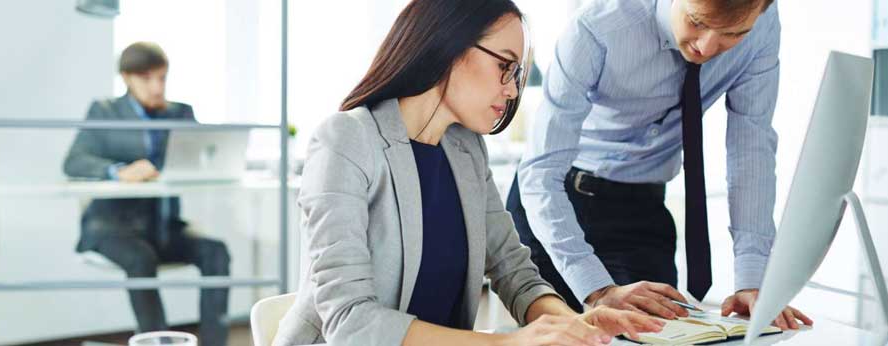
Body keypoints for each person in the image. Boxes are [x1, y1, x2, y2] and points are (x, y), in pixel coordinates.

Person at [271, 1, 666, 345]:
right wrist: (509, 343)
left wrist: (577, 325)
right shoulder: (347, 139)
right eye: (505, 66)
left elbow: (515, 272)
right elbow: (350, 321)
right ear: (451, 47)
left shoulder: (466, 149)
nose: (512, 90)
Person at [507, 0, 814, 330]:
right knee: (565, 337)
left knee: (665, 334)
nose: (707, 47)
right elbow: (541, 171)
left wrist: (752, 279)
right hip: (557, 204)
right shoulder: (596, 28)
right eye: (697, 22)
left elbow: (751, 146)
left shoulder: (761, 24)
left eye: (733, 33)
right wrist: (597, 288)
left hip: (642, 209)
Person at [63, 42, 231, 346]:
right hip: (112, 229)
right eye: (147, 79)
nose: (157, 87)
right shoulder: (104, 111)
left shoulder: (180, 113)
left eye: (162, 78)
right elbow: (74, 161)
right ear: (127, 78)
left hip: (162, 226)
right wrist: (119, 170)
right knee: (141, 258)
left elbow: (203, 156)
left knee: (215, 251)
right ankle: (160, 343)